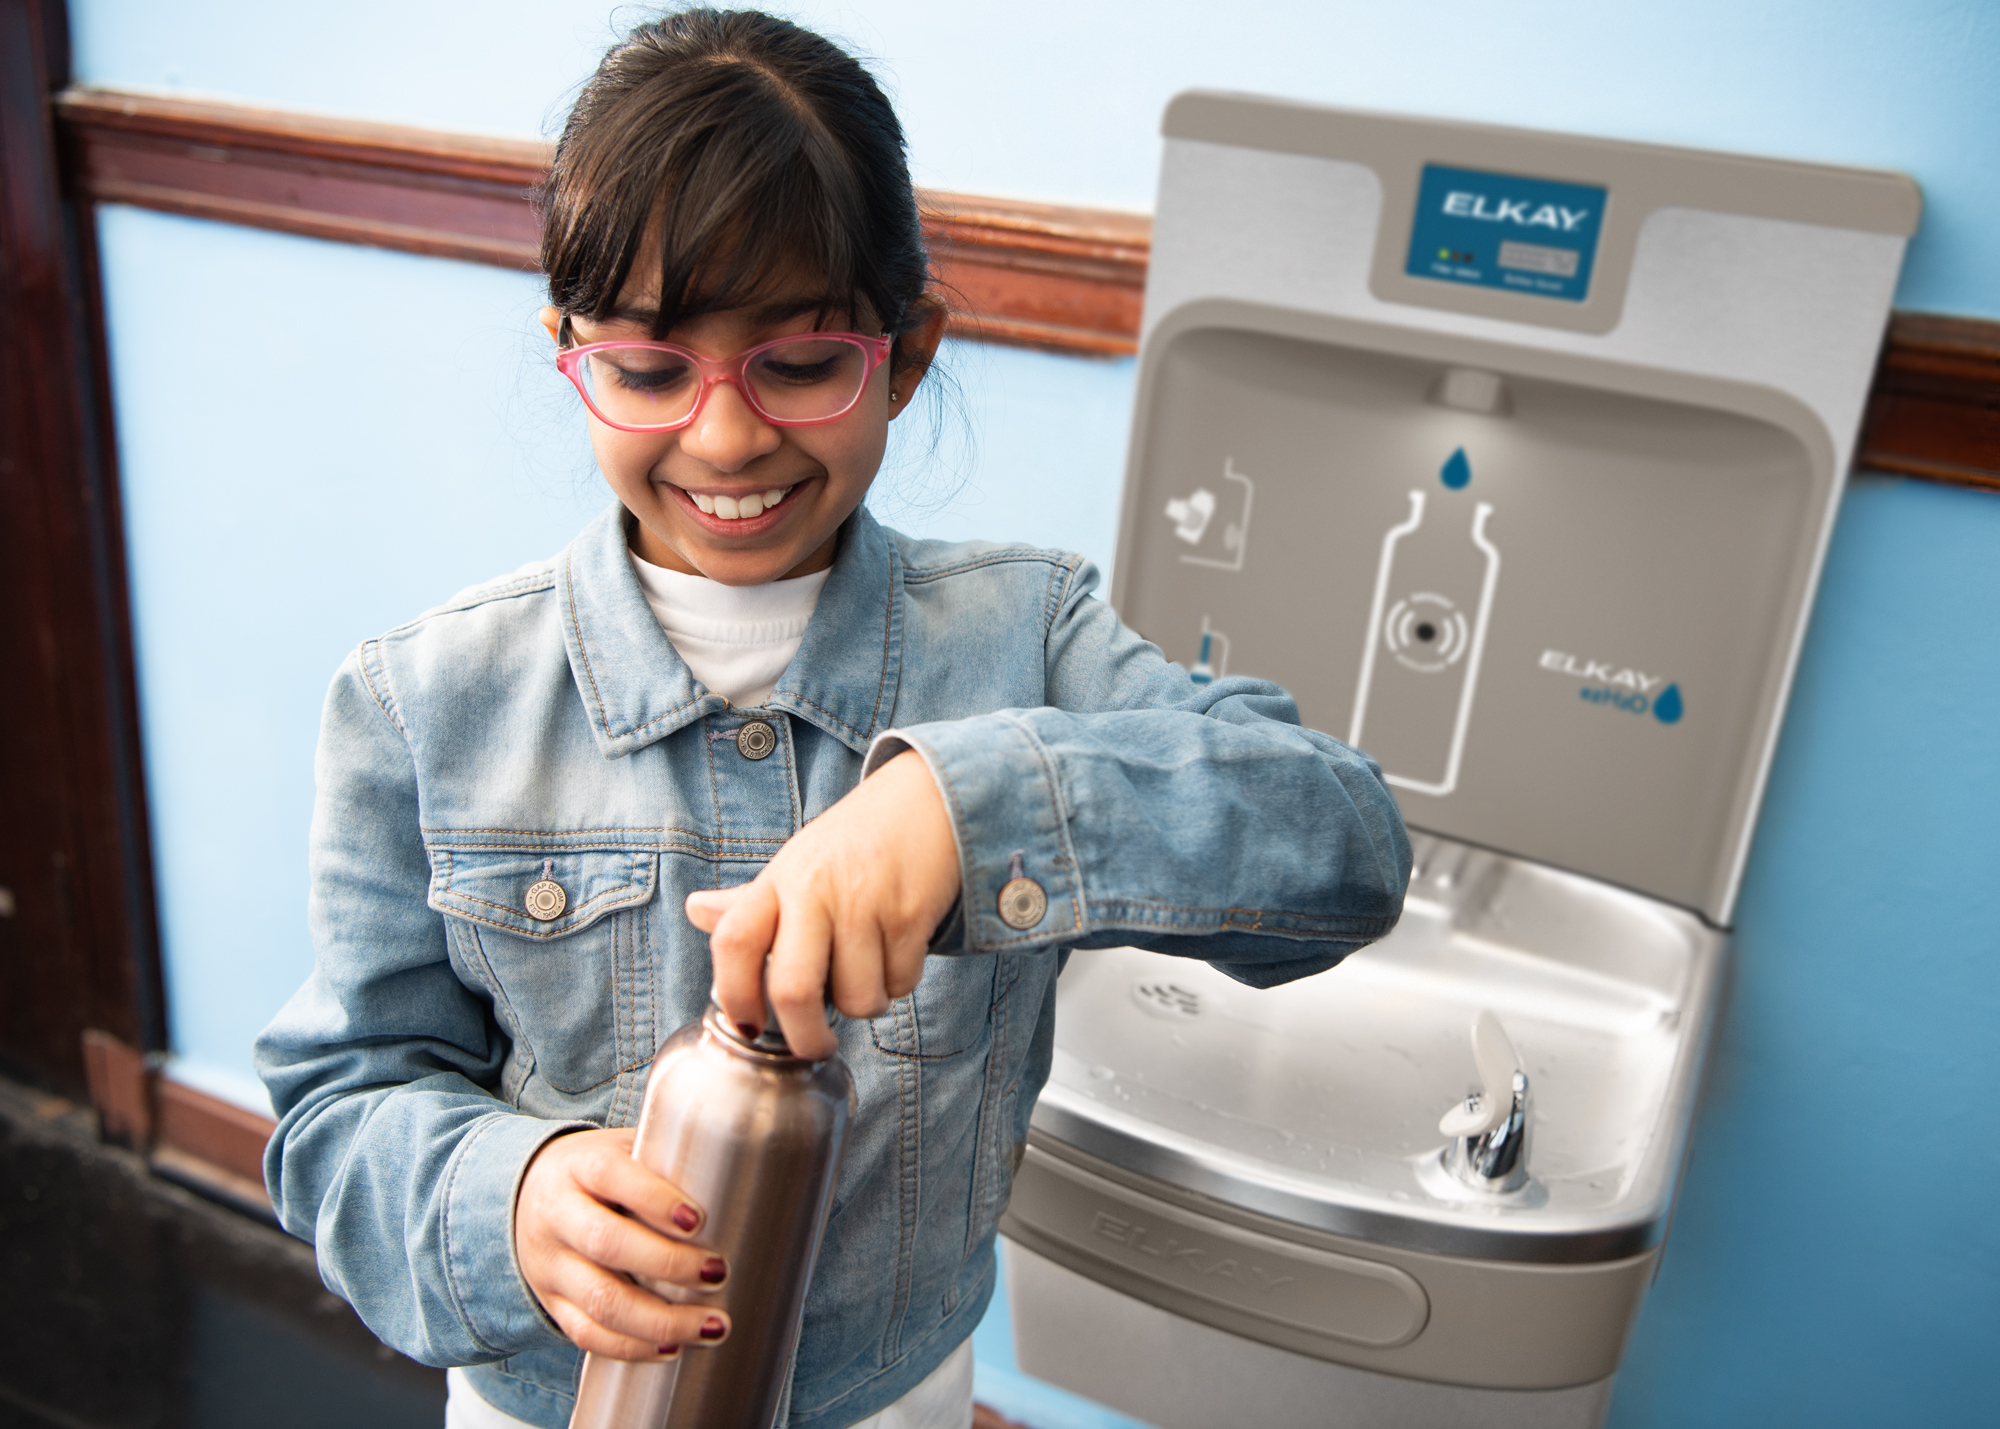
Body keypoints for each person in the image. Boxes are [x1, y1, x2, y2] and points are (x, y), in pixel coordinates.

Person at [254, 10, 1410, 1429]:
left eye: (800, 364)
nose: (727, 436)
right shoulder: (422, 704)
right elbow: (339, 1112)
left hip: (894, 1396)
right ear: (572, 352)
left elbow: (1342, 838)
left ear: (903, 356)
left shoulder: (1026, 639)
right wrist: (512, 1196)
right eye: (649, 367)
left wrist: (969, 806)